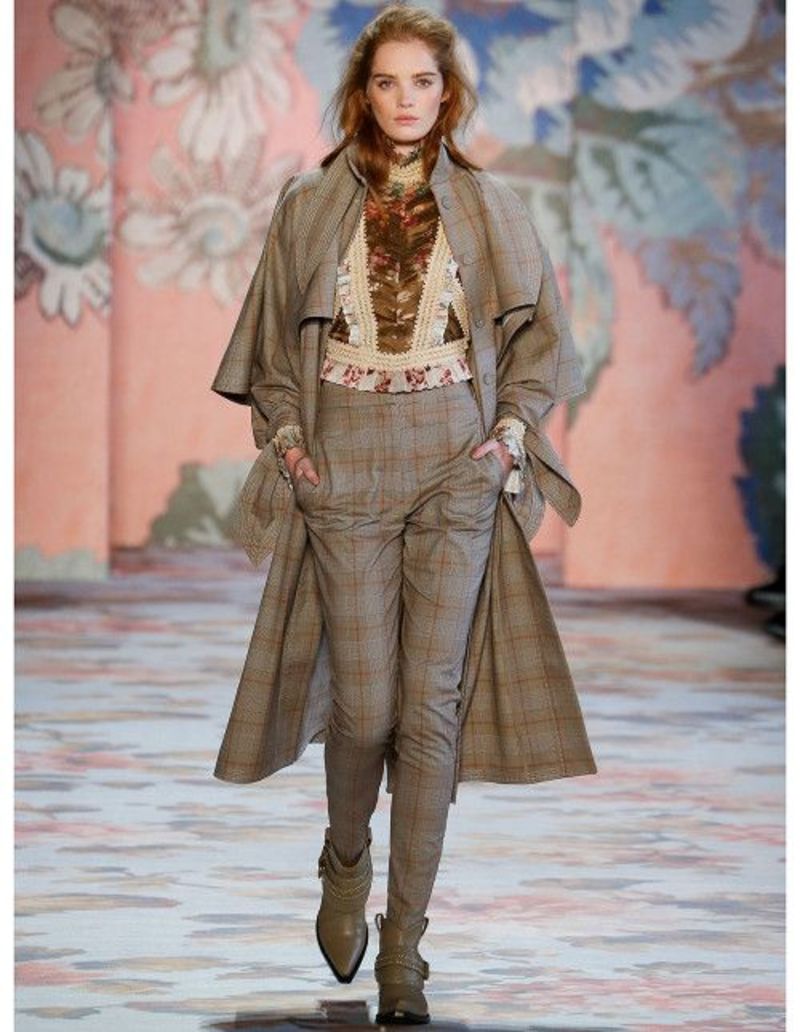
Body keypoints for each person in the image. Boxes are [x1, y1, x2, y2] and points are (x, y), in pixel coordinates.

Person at [211, 3, 597, 1025]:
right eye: (387, 82)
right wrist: (290, 442)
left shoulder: (489, 205)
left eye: (422, 81)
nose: (405, 99)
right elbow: (270, 350)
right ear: (362, 93)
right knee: (367, 706)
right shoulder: (308, 204)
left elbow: (538, 340)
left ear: (447, 93)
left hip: (452, 464)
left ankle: (404, 949)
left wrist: (506, 436)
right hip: (343, 460)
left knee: (430, 708)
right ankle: (346, 859)